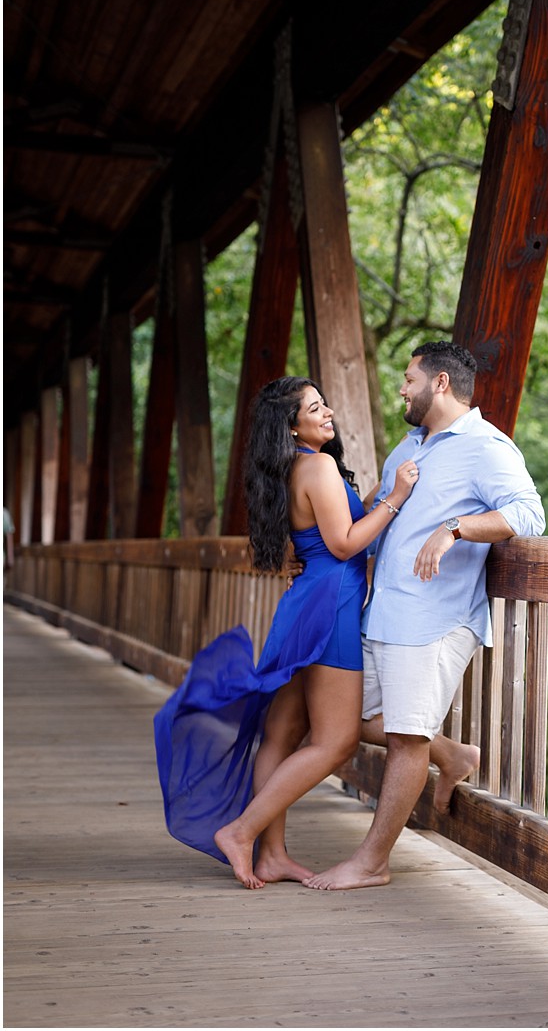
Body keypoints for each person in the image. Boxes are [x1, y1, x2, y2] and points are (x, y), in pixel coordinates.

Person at [153, 377, 418, 888]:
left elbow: (326, 534)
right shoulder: (316, 465)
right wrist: (397, 499)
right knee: (336, 742)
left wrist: (377, 500)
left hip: (305, 602)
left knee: (282, 732)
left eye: (324, 404)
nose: (329, 412)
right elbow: (343, 545)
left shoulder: (299, 466)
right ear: (291, 424)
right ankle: (242, 830)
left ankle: (271, 854)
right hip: (329, 608)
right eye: (315, 408)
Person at [305, 341, 544, 891]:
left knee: (407, 737)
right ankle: (454, 754)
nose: (400, 388)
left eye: (409, 379)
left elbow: (529, 514)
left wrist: (455, 527)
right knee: (350, 723)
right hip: (381, 611)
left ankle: (372, 862)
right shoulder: (408, 447)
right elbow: (379, 516)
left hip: (436, 617)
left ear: (439, 383)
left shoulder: (487, 446)